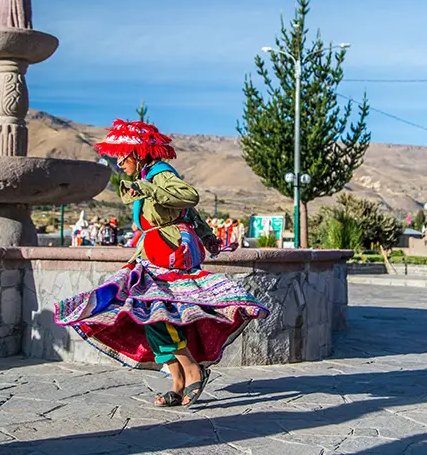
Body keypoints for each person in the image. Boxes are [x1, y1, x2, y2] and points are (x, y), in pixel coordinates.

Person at [54, 120, 267, 407]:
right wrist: (207, 234)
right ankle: (178, 382)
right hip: (153, 250)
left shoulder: (160, 174)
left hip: (170, 251)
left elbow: (189, 197)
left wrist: (149, 188)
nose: (119, 161)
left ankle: (192, 370)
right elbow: (187, 210)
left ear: (138, 153)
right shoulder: (148, 176)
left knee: (159, 311)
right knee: (148, 311)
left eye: (123, 155)